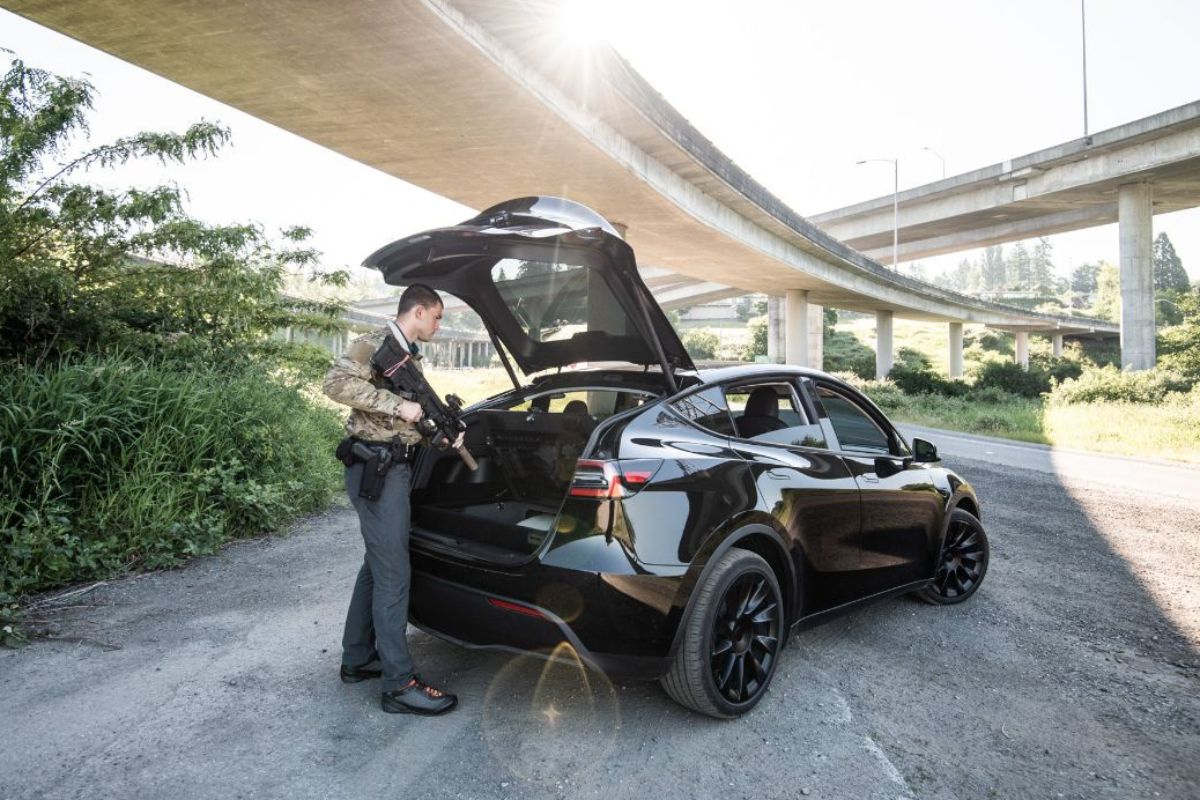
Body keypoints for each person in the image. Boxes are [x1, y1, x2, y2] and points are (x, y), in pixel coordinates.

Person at [322, 283, 460, 715]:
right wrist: (395, 407)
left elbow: (413, 415)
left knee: (376, 565)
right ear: (418, 312)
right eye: (437, 316)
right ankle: (399, 685)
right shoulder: (373, 344)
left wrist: (444, 430)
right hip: (376, 471)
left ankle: (358, 657)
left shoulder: (407, 356)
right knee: (394, 574)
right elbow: (335, 383)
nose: (439, 324)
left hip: (392, 468)